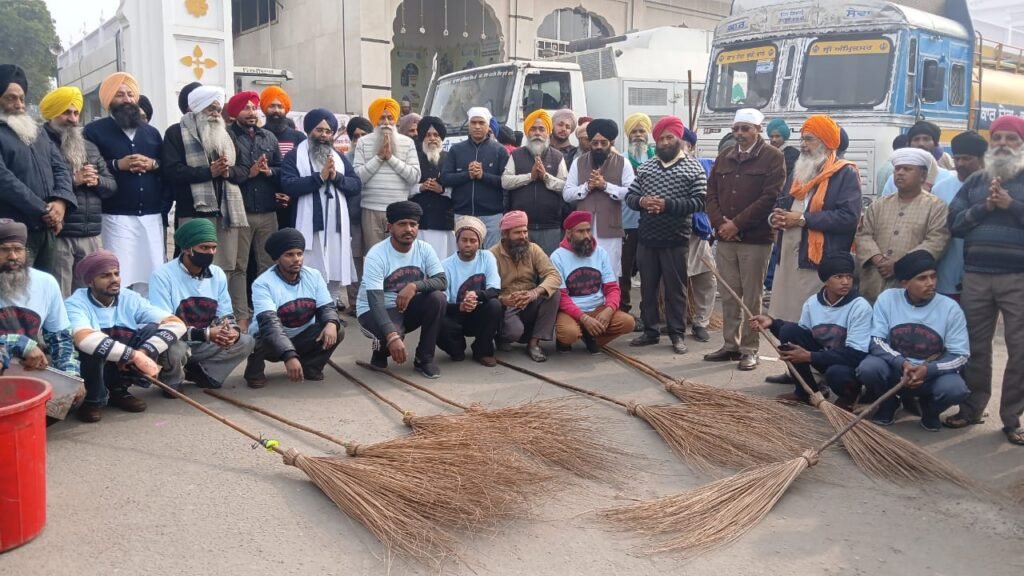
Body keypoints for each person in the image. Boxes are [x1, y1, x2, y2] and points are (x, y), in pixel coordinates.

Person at [765, 115, 862, 385]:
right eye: (802, 139)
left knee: (810, 320)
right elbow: (783, 203)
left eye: (809, 139)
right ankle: (795, 372)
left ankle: (817, 374)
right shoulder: (800, 169)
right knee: (785, 317)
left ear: (827, 142)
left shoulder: (844, 172)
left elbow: (848, 217)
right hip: (789, 255)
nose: (803, 145)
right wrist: (775, 218)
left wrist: (803, 220)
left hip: (817, 260)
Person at [946, 115, 1024, 445]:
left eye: (1011, 138)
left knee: (1020, 350)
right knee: (974, 347)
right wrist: (985, 207)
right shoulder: (976, 181)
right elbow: (954, 223)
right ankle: (972, 408)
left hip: (1018, 277)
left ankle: (1012, 419)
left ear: (1021, 144)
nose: (1003, 144)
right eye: (998, 138)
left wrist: (1011, 205)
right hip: (976, 276)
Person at [705, 108, 786, 370]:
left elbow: (769, 197)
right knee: (729, 295)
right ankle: (731, 345)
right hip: (725, 237)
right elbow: (710, 194)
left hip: (755, 239)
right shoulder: (725, 156)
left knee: (751, 297)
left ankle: (750, 349)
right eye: (736, 128)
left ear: (758, 130)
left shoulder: (773, 157)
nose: (739, 133)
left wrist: (736, 224)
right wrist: (721, 224)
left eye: (745, 129)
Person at [66, 250, 188, 422]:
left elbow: (176, 324)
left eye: (116, 274)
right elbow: (83, 338)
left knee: (153, 329)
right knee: (91, 346)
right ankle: (92, 400)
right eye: (105, 276)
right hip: (93, 364)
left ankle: (119, 391)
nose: (114, 279)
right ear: (90, 281)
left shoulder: (130, 298)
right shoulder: (75, 303)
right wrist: (132, 355)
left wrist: (144, 352)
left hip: (122, 361)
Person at [856, 251, 969, 431]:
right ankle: (887, 404)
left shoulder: (950, 308)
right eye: (922, 278)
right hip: (896, 370)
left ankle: (930, 412)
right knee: (868, 368)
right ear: (905, 283)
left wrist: (928, 370)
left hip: (930, 374)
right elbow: (875, 340)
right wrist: (902, 363)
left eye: (933, 276)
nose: (930, 283)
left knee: (955, 389)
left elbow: (960, 355)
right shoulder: (888, 298)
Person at [624, 116, 707, 354]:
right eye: (661, 138)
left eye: (669, 137)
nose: (665, 142)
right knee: (648, 288)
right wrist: (643, 201)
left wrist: (667, 205)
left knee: (675, 290)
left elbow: (700, 202)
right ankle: (650, 331)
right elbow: (630, 197)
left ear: (678, 138)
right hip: (647, 238)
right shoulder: (647, 167)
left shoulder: (693, 167)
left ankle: (677, 334)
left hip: (676, 238)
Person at [749, 253, 871, 407]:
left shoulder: (860, 306)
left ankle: (849, 398)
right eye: (838, 277)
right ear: (825, 280)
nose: (845, 282)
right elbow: (801, 334)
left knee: (837, 373)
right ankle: (806, 392)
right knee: (789, 331)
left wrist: (810, 356)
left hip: (848, 364)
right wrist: (772, 323)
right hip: (822, 357)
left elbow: (857, 355)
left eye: (849, 277)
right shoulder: (812, 303)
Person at [83, 72, 165, 296]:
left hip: (151, 215)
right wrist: (117, 164)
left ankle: (146, 315)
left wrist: (152, 164)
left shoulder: (151, 133)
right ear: (109, 100)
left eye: (130, 94)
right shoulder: (94, 131)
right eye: (120, 95)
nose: (127, 99)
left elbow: (166, 166)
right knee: (118, 275)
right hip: (115, 215)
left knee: (152, 276)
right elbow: (88, 167)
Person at [149, 219, 254, 393]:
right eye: (204, 248)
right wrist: (205, 333)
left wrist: (231, 330)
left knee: (245, 341)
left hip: (206, 340)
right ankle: (171, 380)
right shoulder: (162, 276)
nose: (210, 253)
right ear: (187, 249)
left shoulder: (217, 274)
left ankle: (202, 373)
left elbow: (225, 313)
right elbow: (163, 325)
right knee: (175, 349)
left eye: (213, 248)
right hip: (176, 340)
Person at [163, 86, 249, 295]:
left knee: (224, 268)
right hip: (194, 211)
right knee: (191, 264)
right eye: (210, 108)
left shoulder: (227, 135)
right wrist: (208, 172)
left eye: (218, 109)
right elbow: (172, 171)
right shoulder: (176, 132)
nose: (215, 114)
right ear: (197, 108)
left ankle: (219, 307)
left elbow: (243, 170)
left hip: (226, 214)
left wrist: (228, 172)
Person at [39, 86, 117, 297]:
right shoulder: (39, 144)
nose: (72, 119)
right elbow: (38, 185)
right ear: (52, 113)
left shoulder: (89, 146)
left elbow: (111, 186)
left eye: (76, 113)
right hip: (60, 234)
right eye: (66, 112)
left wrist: (96, 181)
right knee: (60, 295)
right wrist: (74, 180)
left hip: (91, 234)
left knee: (90, 296)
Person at [356, 201, 447, 378]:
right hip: (374, 310)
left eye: (413, 224)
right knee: (392, 335)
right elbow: (375, 301)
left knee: (437, 298)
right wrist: (391, 336)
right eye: (402, 224)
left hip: (405, 307)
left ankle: (424, 359)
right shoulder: (377, 254)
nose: (408, 229)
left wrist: (414, 286)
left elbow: (442, 281)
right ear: (390, 227)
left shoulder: (424, 249)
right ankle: (380, 351)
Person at [281, 108, 361, 306]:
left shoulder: (339, 157)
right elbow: (289, 185)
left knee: (335, 264)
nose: (324, 135)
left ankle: (330, 308)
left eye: (328, 131)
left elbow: (355, 185)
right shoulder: (294, 156)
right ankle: (308, 309)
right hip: (309, 224)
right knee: (310, 264)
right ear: (309, 130)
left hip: (336, 224)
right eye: (319, 130)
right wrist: (319, 178)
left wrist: (336, 177)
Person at [244, 228, 342, 388]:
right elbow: (270, 325)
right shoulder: (262, 284)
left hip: (302, 336)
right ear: (277, 259)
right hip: (269, 341)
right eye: (289, 255)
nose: (296, 259)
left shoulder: (314, 275)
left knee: (337, 329)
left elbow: (326, 307)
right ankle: (254, 372)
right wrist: (289, 355)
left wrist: (331, 322)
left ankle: (311, 366)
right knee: (256, 339)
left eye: (299, 254)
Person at [0, 64, 75, 272]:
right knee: (13, 287)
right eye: (10, 98)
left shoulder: (37, 132)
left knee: (44, 285)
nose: (19, 105)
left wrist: (60, 203)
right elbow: (4, 180)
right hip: (11, 235)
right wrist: (45, 210)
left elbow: (60, 168)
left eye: (21, 98)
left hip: (46, 229)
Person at [856, 148, 950, 302]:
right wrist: (878, 260)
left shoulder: (936, 207)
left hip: (910, 284)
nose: (900, 173)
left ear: (923, 176)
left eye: (907, 169)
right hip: (874, 281)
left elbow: (936, 241)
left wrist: (900, 265)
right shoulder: (879, 205)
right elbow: (863, 235)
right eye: (897, 169)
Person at [223, 90, 283, 329]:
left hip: (268, 211)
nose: (251, 112)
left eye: (253, 108)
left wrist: (269, 172)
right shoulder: (226, 136)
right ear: (235, 112)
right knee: (238, 266)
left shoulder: (268, 137)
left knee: (268, 263)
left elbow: (281, 169)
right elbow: (226, 171)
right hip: (240, 211)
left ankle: (265, 312)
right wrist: (250, 173)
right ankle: (241, 316)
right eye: (245, 108)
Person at [0, 219, 78, 375]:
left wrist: (71, 376)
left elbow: (60, 339)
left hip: (29, 369)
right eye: (4, 250)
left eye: (18, 249)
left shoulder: (45, 282)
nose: (13, 256)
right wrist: (21, 343)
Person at [551, 211, 635, 353]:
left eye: (588, 230)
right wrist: (583, 318)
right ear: (569, 233)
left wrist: (609, 310)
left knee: (628, 323)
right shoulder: (557, 257)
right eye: (580, 231)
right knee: (568, 334)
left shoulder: (601, 253)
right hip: (571, 311)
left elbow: (612, 288)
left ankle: (592, 337)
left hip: (598, 309)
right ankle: (569, 339)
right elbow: (562, 297)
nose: (586, 236)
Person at [563, 119, 634, 277]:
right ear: (590, 143)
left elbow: (631, 193)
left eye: (603, 142)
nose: (599, 147)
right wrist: (586, 187)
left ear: (611, 142)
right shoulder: (578, 163)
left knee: (609, 272)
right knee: (582, 272)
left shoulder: (623, 163)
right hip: (582, 229)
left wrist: (605, 186)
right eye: (595, 143)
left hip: (610, 229)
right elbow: (567, 194)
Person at [491, 210, 562, 362]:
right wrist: (503, 300)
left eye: (525, 231)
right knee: (514, 332)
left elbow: (554, 276)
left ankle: (534, 343)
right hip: (507, 303)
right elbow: (486, 289)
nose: (523, 236)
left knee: (554, 292)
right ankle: (501, 336)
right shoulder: (492, 255)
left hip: (529, 299)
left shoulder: (533, 249)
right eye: (517, 233)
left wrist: (534, 293)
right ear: (505, 234)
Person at [354, 97, 421, 249]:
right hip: (371, 210)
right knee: (374, 254)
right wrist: (379, 158)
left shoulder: (407, 142)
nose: (386, 122)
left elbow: (415, 177)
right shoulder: (363, 142)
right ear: (374, 120)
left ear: (395, 120)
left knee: (398, 253)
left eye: (390, 118)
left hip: (399, 210)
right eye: (382, 117)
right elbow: (357, 178)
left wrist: (391, 158)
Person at [440, 107, 508, 248]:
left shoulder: (499, 150)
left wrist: (483, 176)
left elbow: (505, 182)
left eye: (481, 123)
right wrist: (468, 175)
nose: (477, 126)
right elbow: (445, 178)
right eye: (473, 122)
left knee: (491, 255)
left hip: (491, 216)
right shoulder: (456, 150)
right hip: (463, 213)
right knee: (464, 254)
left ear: (488, 126)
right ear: (469, 125)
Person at [502, 109, 568, 255]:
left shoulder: (557, 156)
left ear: (548, 133)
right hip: (521, 227)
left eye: (541, 129)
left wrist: (545, 177)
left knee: (548, 265)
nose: (537, 133)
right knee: (522, 265)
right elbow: (505, 181)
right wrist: (530, 177)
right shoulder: (516, 155)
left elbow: (565, 186)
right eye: (533, 129)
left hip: (550, 226)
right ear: (527, 132)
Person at [438, 216, 502, 366]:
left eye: (473, 241)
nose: (468, 244)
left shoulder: (487, 257)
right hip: (455, 312)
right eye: (464, 240)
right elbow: (442, 300)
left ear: (479, 243)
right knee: (438, 318)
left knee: (495, 305)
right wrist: (460, 306)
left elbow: (495, 289)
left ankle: (482, 351)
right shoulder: (445, 265)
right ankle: (456, 349)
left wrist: (476, 295)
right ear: (457, 241)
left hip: (479, 312)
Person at [932, 131, 986, 301]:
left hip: (983, 271)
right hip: (948, 269)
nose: (960, 163)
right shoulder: (940, 188)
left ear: (982, 158)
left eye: (967, 158)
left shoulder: (994, 186)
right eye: (957, 159)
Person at [682, 132, 717, 343]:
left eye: (683, 144)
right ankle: (674, 322)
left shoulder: (704, 167)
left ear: (691, 147)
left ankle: (701, 323)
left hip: (698, 232)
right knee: (672, 282)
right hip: (671, 234)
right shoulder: (659, 167)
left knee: (707, 278)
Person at [619, 113, 653, 315]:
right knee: (624, 270)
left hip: (652, 223)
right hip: (626, 222)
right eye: (634, 131)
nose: (638, 135)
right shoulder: (621, 159)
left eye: (642, 131)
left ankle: (648, 313)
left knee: (649, 271)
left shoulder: (657, 158)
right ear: (628, 134)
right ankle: (624, 311)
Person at [410, 116, 455, 259]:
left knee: (442, 261)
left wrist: (442, 190)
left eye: (436, 135)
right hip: (420, 222)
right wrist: (420, 187)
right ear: (422, 138)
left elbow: (459, 189)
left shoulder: (450, 158)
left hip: (443, 221)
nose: (432, 139)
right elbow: (404, 188)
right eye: (428, 135)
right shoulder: (413, 158)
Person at [259, 85, 304, 228]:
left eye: (280, 106)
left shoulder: (299, 137)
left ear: (286, 109)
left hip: (292, 203)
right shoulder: (257, 135)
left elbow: (304, 170)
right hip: (264, 204)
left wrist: (292, 197)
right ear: (264, 108)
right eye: (272, 106)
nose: (276, 110)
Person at [880, 121, 957, 196]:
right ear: (909, 145)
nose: (921, 144)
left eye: (926, 139)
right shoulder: (895, 179)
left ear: (935, 144)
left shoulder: (947, 179)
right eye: (916, 139)